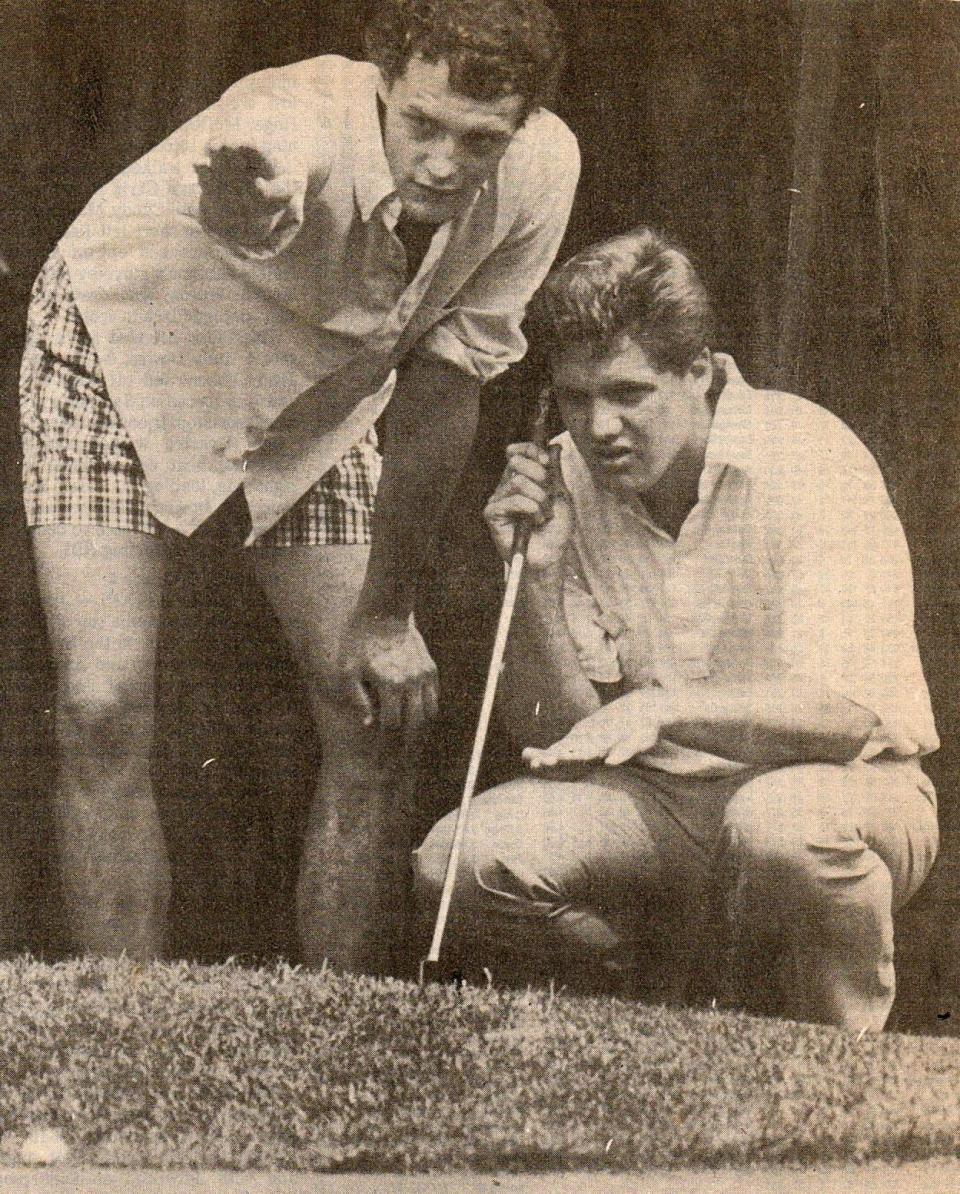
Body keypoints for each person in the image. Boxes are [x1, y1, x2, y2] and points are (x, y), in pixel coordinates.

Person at [18, 0, 578, 969]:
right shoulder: (293, 114)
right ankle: (123, 1025)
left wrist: (388, 614)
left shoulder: (542, 172)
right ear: (382, 84)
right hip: (120, 355)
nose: (444, 163)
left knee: (372, 707)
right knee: (102, 704)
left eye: (479, 139)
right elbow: (269, 154)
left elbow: (446, 390)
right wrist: (257, 196)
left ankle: (327, 1021)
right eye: (423, 125)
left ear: (522, 126)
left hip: (312, 398)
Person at [414, 227, 939, 1031]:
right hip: (659, 799)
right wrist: (539, 577)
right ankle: (649, 1029)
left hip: (847, 786)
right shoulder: (567, 477)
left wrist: (663, 707)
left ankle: (841, 1063)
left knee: (781, 827)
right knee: (462, 861)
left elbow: (843, 718)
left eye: (629, 392)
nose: (600, 428)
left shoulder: (807, 453)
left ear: (699, 373)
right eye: (578, 397)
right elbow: (561, 738)